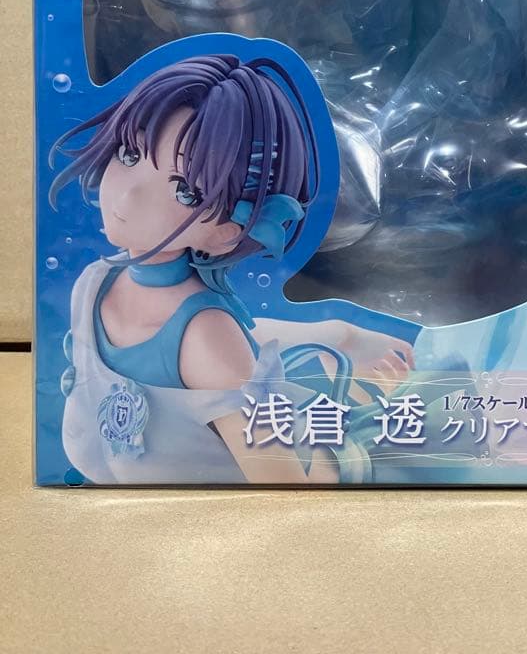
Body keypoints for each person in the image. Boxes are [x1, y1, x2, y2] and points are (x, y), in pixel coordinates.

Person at [50, 53, 414, 485]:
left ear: (226, 231)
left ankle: (355, 374)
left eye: (185, 191)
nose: (127, 198)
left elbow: (288, 492)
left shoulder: (205, 337)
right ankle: (338, 336)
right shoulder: (94, 283)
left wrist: (347, 434)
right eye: (130, 154)